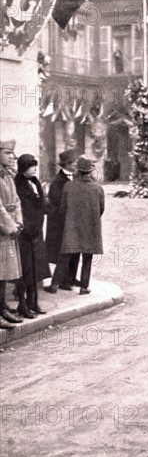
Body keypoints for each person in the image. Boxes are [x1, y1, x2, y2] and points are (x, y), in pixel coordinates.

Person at [59, 156, 104, 295]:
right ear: (90, 171)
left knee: (73, 253)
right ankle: (84, 286)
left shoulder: (68, 186)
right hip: (91, 227)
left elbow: (62, 208)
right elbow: (101, 209)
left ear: (77, 170)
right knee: (87, 257)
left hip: (72, 226)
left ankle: (69, 280)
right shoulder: (97, 188)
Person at [14, 154, 50, 316]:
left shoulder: (35, 183)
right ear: (23, 168)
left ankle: (33, 302)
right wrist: (28, 229)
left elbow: (41, 205)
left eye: (35, 166)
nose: (35, 169)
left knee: (35, 269)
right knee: (24, 270)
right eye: (31, 166)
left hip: (36, 232)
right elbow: (21, 210)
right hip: (25, 233)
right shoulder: (18, 184)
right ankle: (22, 304)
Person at [44, 149, 79, 294]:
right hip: (62, 222)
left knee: (76, 249)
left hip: (74, 220)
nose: (76, 165)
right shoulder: (57, 182)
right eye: (74, 163)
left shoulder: (76, 178)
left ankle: (71, 277)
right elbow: (57, 203)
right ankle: (62, 280)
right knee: (64, 251)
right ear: (67, 165)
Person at [0, 140, 24, 329]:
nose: (12, 157)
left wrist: (18, 221)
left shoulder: (7, 175)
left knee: (5, 272)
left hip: (8, 231)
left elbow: (16, 200)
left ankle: (2, 307)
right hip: (2, 230)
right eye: (8, 153)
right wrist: (10, 225)